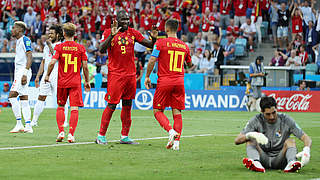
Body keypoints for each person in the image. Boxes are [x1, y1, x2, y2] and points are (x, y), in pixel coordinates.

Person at [96, 10, 158, 145]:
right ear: (116, 20)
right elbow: (101, 49)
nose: (125, 22)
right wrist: (111, 36)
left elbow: (150, 45)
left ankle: (124, 136)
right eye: (122, 19)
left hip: (130, 75)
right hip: (116, 75)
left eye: (127, 19)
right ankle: (101, 135)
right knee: (112, 104)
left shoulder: (132, 32)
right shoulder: (108, 32)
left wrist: (153, 38)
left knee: (128, 105)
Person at [144, 19, 192, 151]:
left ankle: (171, 131)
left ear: (166, 30)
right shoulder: (184, 46)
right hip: (179, 82)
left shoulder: (160, 43)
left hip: (165, 81)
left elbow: (152, 59)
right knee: (177, 111)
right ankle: (176, 143)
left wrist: (147, 76)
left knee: (157, 111)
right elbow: (189, 64)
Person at [234, 96, 312, 173]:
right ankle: (256, 163)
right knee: (250, 139)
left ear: (276, 108)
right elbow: (237, 140)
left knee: (290, 141)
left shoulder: (286, 119)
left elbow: (305, 137)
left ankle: (291, 163)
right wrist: (250, 135)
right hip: (262, 158)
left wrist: (306, 150)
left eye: (274, 112)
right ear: (261, 111)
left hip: (281, 159)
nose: (272, 117)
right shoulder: (256, 120)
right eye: (268, 114)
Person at [44, 22, 91, 143]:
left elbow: (52, 63)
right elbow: (85, 67)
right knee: (74, 108)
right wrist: (86, 81)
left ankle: (61, 131)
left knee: (60, 106)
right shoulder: (80, 48)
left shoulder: (59, 47)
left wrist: (47, 75)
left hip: (62, 82)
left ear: (63, 33)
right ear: (75, 34)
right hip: (75, 82)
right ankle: (71, 134)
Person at [31, 25, 69, 127]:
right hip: (46, 75)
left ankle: (64, 121)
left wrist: (49, 45)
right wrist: (38, 76)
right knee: (41, 97)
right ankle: (34, 121)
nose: (49, 35)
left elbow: (56, 57)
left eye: (52, 33)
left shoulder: (62, 45)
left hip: (57, 75)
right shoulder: (46, 46)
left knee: (61, 98)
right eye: (49, 33)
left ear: (58, 34)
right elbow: (43, 62)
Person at [8, 21, 33, 133]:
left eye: (14, 28)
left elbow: (30, 56)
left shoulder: (25, 40)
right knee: (23, 98)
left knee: (12, 96)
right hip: (20, 71)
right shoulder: (18, 41)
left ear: (19, 30)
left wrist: (25, 73)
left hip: (23, 71)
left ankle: (19, 123)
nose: (12, 30)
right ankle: (28, 126)